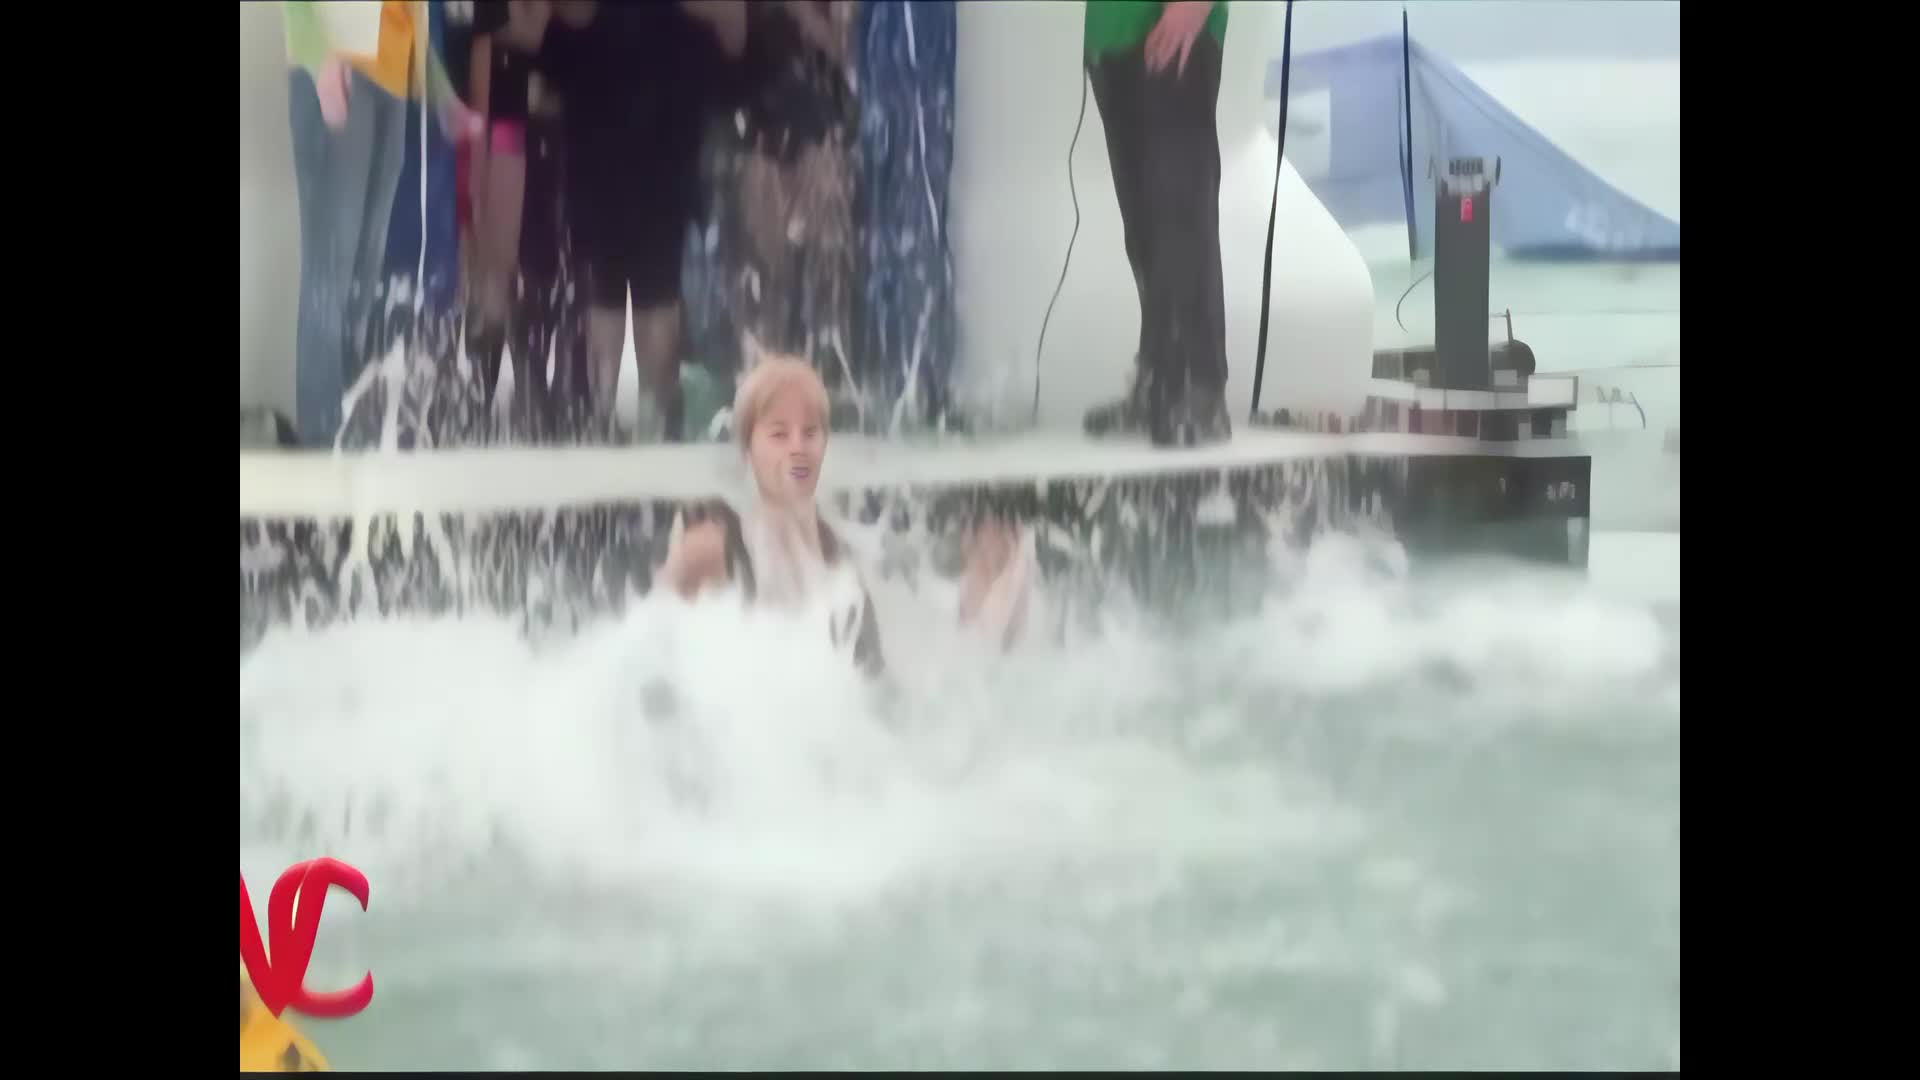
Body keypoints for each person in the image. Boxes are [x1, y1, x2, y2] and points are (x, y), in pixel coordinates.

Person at [658, 353, 1036, 677]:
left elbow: (879, 687)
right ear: (748, 449)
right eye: (779, 434)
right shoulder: (713, 547)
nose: (798, 447)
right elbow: (651, 652)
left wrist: (984, 612)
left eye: (810, 432)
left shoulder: (839, 559)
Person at [497, 0, 764, 443]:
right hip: (639, 111)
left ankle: (621, 420)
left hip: (635, 112)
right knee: (637, 288)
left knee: (630, 289)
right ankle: (635, 420)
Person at [282, 1, 480, 448]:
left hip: (391, 84)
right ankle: (321, 437)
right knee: (332, 274)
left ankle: (350, 425)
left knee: (363, 277)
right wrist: (319, 59)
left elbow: (405, 17)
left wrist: (443, 96)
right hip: (338, 69)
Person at [1080, 0, 1234, 449]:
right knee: (1145, 231)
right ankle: (1159, 384)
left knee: (1181, 214)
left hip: (1175, 22)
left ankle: (1200, 390)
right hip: (1112, 32)